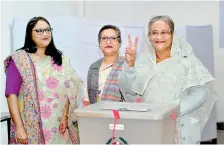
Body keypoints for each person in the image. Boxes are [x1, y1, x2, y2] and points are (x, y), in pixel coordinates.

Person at [118, 15, 217, 144]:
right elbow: (129, 94)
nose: (159, 37)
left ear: (172, 35)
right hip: (150, 126)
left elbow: (201, 92)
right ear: (149, 36)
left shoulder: (186, 60)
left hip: (179, 128)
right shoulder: (142, 62)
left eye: (164, 32)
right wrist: (130, 65)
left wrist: (171, 110)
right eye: (154, 33)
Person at [4, 16, 82, 144]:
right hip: (30, 127)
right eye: (39, 31)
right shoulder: (20, 59)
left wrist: (65, 116)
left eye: (47, 30)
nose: (45, 33)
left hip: (59, 127)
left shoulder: (61, 59)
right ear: (30, 34)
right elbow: (11, 94)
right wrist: (19, 127)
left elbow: (69, 89)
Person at [84, 25, 126, 105]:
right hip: (96, 115)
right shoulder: (94, 68)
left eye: (113, 38)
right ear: (99, 44)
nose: (108, 41)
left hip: (121, 115)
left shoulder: (127, 66)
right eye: (104, 38)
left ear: (120, 43)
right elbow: (87, 100)